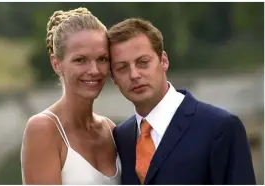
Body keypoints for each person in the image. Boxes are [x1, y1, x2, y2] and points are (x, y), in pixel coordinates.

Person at [107, 18, 256, 185]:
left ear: (164, 61)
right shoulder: (120, 137)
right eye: (122, 67)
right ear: (113, 77)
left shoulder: (221, 128)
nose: (134, 74)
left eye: (143, 62)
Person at [20, 7, 121, 185]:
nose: (94, 70)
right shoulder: (43, 129)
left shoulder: (111, 131)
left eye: (102, 59)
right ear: (56, 64)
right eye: (80, 60)